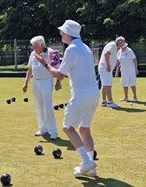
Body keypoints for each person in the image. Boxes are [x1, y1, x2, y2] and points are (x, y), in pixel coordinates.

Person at [35, 20, 99, 177]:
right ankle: (91, 169)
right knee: (84, 129)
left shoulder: (71, 49)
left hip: (81, 94)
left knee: (67, 128)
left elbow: (60, 76)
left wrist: (45, 64)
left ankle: (86, 162)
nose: (60, 34)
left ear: (68, 34)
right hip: (93, 93)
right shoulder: (85, 48)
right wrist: (56, 65)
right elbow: (71, 70)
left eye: (62, 32)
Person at [22, 36, 61, 140]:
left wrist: (58, 82)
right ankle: (43, 128)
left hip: (47, 81)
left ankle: (53, 130)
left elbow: (58, 69)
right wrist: (26, 83)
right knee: (38, 106)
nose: (33, 48)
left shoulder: (51, 53)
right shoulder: (33, 54)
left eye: (35, 46)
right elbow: (30, 69)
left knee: (47, 105)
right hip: (36, 82)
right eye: (33, 46)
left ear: (41, 45)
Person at [98, 36, 125, 108]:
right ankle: (110, 102)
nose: (123, 44)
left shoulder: (112, 45)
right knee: (108, 85)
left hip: (103, 67)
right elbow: (106, 54)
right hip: (105, 68)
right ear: (119, 41)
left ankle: (104, 102)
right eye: (123, 42)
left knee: (104, 84)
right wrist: (108, 66)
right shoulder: (113, 45)